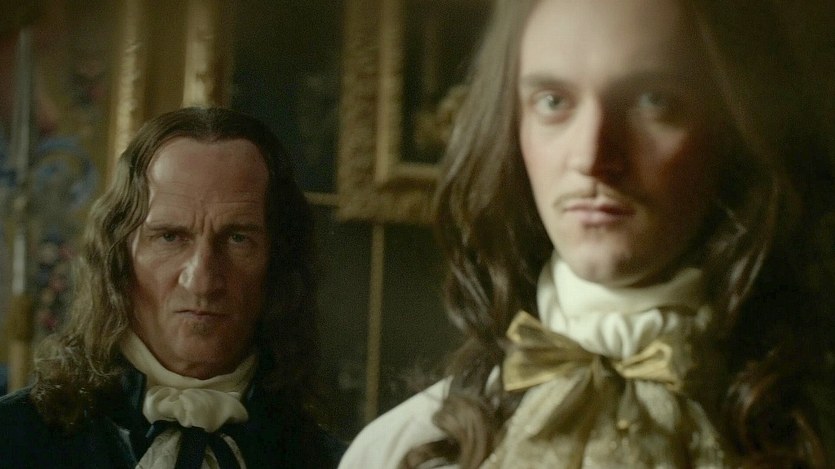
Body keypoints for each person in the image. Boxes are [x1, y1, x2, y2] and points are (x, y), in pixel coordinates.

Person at [340, 0, 835, 467]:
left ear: (733, 130)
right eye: (553, 101)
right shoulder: (399, 451)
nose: (593, 156)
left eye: (654, 100)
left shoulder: (815, 436)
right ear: (513, 129)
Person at [0, 107, 345, 468]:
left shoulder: (333, 462)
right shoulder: (11, 441)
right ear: (119, 257)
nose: (202, 281)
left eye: (237, 239)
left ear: (278, 261)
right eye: (170, 237)